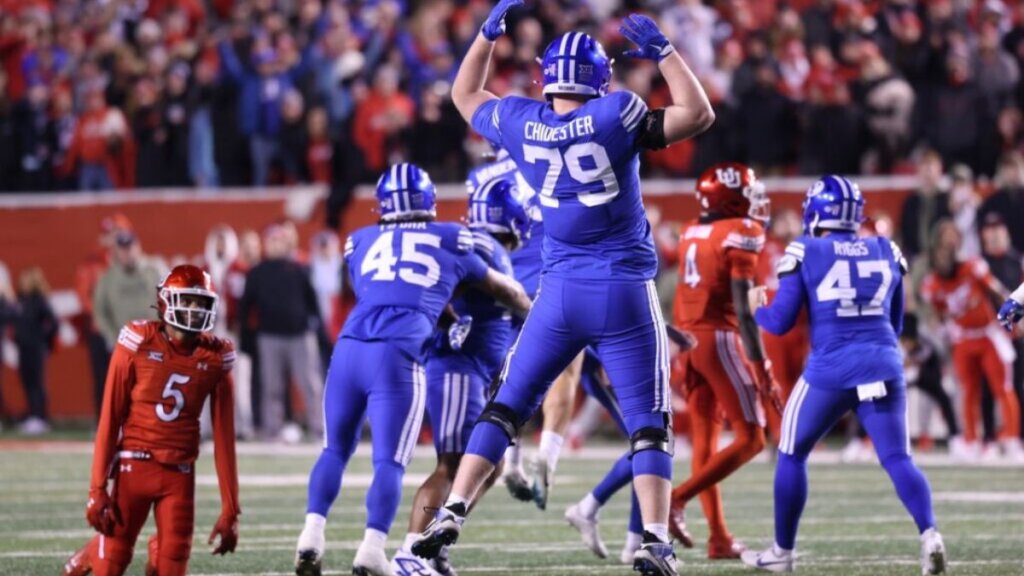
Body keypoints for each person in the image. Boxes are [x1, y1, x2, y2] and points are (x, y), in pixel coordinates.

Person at [412, 5, 714, 576]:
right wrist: (667, 54)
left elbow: (463, 95)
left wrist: (485, 35)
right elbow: (698, 114)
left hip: (559, 294)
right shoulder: (617, 112)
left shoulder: (523, 121)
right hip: (624, 290)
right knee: (649, 423)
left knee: (504, 409)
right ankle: (653, 539)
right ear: (601, 81)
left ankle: (454, 508)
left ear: (546, 79)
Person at [293, 163, 531, 576]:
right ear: (428, 201)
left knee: (334, 450)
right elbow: (500, 289)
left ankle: (310, 538)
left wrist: (442, 314)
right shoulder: (452, 238)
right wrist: (539, 315)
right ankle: (373, 549)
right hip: (399, 354)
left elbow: (385, 289)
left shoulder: (359, 241)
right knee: (390, 462)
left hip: (349, 348)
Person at [740, 175, 946, 575]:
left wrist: (755, 309)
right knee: (898, 458)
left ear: (817, 211)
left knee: (791, 451)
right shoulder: (886, 248)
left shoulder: (805, 248)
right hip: (884, 362)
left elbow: (780, 322)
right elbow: (898, 321)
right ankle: (930, 534)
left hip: (832, 367)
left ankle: (782, 552)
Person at [392, 175, 530, 576]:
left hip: (474, 371)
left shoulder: (482, 245)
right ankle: (409, 553)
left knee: (492, 464)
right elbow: (433, 288)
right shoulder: (475, 244)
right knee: (451, 466)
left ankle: (433, 543)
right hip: (457, 367)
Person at [63, 265, 239, 576]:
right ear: (165, 302)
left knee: (172, 566)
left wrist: (231, 509)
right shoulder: (138, 341)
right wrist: (97, 489)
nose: (195, 310)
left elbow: (225, 440)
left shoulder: (215, 357)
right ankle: (90, 555)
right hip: (134, 466)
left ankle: (148, 551)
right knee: (112, 563)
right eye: (188, 301)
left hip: (180, 474)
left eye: (201, 304)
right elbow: (109, 418)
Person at [667, 163, 776, 559]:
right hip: (719, 340)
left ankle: (718, 538)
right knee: (752, 439)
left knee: (706, 443)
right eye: (748, 193)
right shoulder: (740, 232)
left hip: (690, 343)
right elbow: (744, 314)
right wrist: (762, 367)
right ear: (729, 197)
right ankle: (676, 499)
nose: (755, 200)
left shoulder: (691, 230)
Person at [920, 221, 1022, 460]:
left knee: (1003, 388)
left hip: (988, 334)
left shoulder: (972, 267)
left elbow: (997, 291)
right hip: (963, 339)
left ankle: (1012, 439)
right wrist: (944, 326)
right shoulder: (932, 283)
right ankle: (972, 440)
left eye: (947, 255)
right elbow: (937, 311)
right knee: (969, 392)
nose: (943, 260)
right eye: (939, 256)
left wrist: (1014, 317)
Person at [239, 225, 324, 441]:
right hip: (269, 336)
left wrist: (313, 326)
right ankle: (272, 431)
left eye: (279, 241)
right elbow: (246, 305)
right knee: (272, 386)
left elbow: (312, 301)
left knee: (310, 384)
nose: (275, 245)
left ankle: (320, 429)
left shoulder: (298, 268)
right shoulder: (257, 272)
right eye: (272, 241)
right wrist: (247, 334)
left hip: (300, 335)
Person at [13, 267, 58, 435]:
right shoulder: (21, 299)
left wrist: (43, 339)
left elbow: (54, 323)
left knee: (37, 383)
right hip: (23, 347)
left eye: (26, 280)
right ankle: (32, 416)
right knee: (27, 381)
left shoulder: (40, 300)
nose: (22, 283)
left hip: (36, 348)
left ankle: (41, 418)